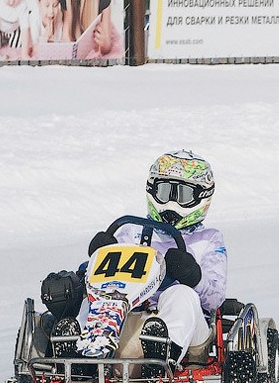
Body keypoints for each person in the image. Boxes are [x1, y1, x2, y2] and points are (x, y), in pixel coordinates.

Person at [45, 150, 227, 363]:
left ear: (202, 197)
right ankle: (83, 354)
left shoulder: (208, 239)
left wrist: (193, 276)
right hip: (126, 319)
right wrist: (96, 258)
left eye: (183, 195)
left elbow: (215, 299)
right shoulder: (131, 231)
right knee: (96, 295)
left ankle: (163, 355)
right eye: (165, 191)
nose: (171, 203)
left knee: (182, 294)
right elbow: (105, 278)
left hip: (188, 334)